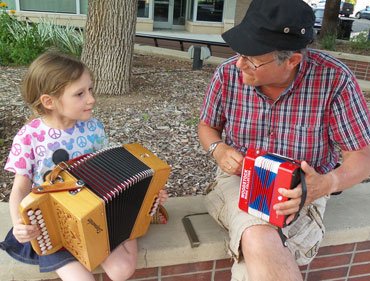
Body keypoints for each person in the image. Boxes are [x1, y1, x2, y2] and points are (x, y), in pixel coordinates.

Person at [198, 0, 370, 280]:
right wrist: (219, 149)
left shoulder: (334, 80)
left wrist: (325, 184)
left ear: (292, 61)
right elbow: (207, 126)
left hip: (303, 188)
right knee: (258, 231)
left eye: (252, 59)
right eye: (240, 53)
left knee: (253, 246)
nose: (239, 64)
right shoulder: (229, 73)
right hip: (239, 179)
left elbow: (362, 156)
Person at [0, 51, 168, 281]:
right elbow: (19, 188)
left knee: (121, 272)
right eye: (79, 94)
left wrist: (141, 200)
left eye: (90, 90)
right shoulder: (29, 136)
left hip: (93, 215)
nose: (91, 99)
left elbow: (112, 173)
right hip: (53, 226)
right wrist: (19, 223)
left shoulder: (93, 128)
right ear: (49, 101)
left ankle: (129, 226)